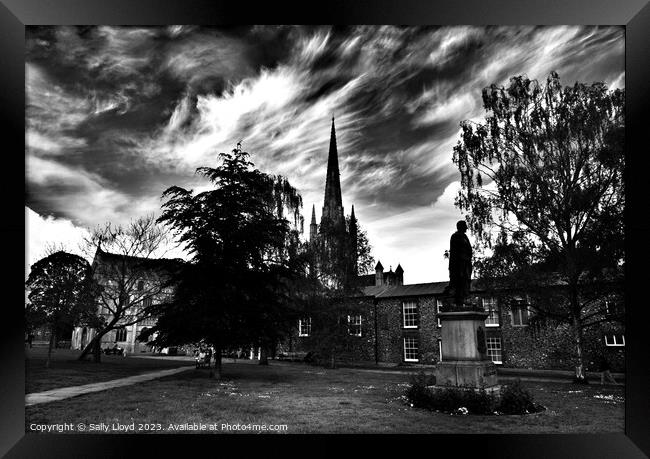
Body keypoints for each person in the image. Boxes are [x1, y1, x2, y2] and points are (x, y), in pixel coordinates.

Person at [447, 220, 473, 307]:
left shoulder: (465, 237)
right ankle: (457, 300)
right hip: (458, 264)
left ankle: (465, 298)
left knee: (466, 280)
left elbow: (469, 250)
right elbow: (454, 252)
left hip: (466, 263)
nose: (466, 228)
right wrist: (454, 266)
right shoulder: (455, 236)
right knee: (459, 281)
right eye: (465, 226)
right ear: (461, 227)